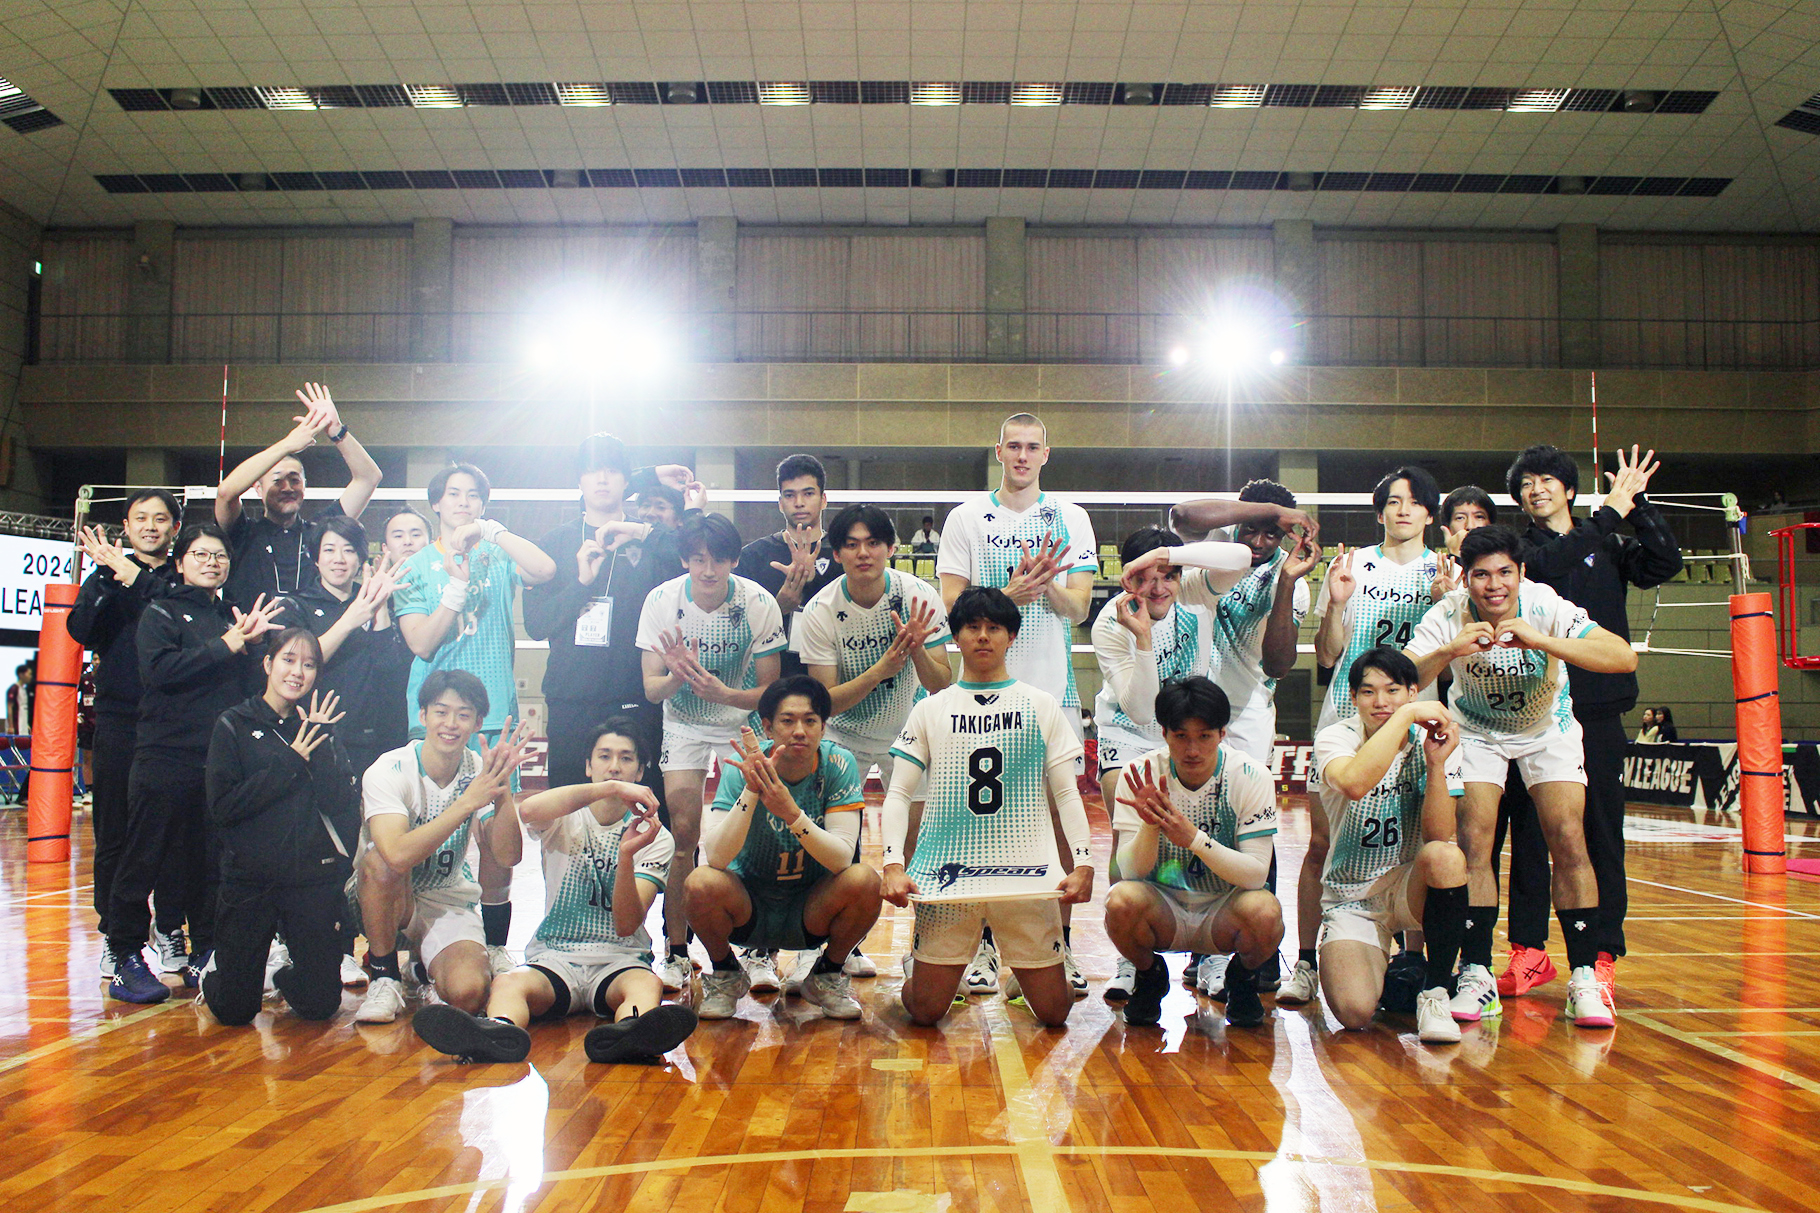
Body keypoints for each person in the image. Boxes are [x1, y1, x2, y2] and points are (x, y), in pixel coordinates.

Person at [1406, 525, 1637, 1029]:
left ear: (1521, 573)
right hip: (1476, 731)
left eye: (1504, 573)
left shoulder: (1545, 604)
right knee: (1474, 841)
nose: (1494, 585)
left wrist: (1543, 640)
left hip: (1545, 729)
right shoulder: (1447, 615)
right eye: (1481, 575)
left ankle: (1583, 977)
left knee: (1569, 837)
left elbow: (1623, 657)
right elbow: (1400, 676)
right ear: (1465, 578)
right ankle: (1477, 974)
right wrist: (1448, 652)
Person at [1494, 445, 1681, 1004]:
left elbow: (1665, 562)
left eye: (1546, 479)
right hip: (1533, 716)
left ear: (1570, 489)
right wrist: (1609, 513)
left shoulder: (1611, 544)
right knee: (1531, 837)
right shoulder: (1522, 553)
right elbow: (1554, 563)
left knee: (1601, 836)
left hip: (1596, 714)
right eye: (1526, 483)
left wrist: (1636, 503)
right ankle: (1529, 953)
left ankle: (1601, 955)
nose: (1535, 489)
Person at [409, 718, 699, 1065]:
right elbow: (529, 810)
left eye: (626, 758)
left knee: (646, 986)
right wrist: (609, 788)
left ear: (640, 771)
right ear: (588, 766)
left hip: (619, 960)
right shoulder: (565, 815)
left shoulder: (656, 836)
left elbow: (626, 925)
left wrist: (625, 856)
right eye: (604, 756)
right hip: (555, 956)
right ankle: (498, 1032)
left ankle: (628, 1035)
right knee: (508, 984)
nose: (614, 767)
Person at [936, 413, 1098, 996]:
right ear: (999, 451)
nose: (1023, 456)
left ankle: (1059, 948)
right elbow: (952, 605)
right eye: (1014, 446)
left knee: (1057, 820)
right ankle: (982, 948)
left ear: (1046, 454)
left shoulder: (1071, 517)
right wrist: (1009, 595)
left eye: (1033, 447)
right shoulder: (965, 518)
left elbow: (1079, 608)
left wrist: (1047, 585)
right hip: (978, 694)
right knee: (977, 821)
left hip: (1053, 693)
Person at [883, 587, 1095, 1029]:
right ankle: (923, 967)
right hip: (947, 874)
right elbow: (899, 793)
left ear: (1011, 636)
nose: (983, 636)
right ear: (956, 637)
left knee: (1055, 1012)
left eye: (994, 627)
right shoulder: (930, 709)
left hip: (1027, 874)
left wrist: (1084, 863)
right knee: (925, 1011)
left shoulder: (1041, 705)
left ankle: (1024, 972)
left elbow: (1067, 794)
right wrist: (892, 864)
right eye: (972, 627)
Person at [1282, 465, 1444, 1008]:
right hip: (1346, 721)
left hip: (1417, 723)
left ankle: (1416, 964)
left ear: (1429, 514)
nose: (1404, 509)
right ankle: (1307, 961)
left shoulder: (1444, 572)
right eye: (1394, 501)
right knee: (1321, 844)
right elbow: (1328, 655)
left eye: (1415, 501)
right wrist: (1335, 603)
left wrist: (1447, 600)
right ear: (1380, 512)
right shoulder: (1352, 565)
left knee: (1421, 845)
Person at [105, 523, 285, 1003]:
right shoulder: (161, 611)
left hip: (218, 760)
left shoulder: (230, 617)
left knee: (210, 861)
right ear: (180, 562)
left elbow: (246, 690)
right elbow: (160, 672)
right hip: (164, 755)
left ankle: (205, 950)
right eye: (201, 554)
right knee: (143, 856)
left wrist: (253, 648)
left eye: (219, 555)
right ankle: (124, 956)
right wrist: (226, 645)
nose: (212, 562)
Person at [392, 462, 556, 974]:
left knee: (494, 836)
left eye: (473, 496)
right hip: (434, 717)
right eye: (453, 494)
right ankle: (413, 947)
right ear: (436, 503)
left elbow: (545, 570)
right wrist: (455, 588)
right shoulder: (415, 566)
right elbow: (422, 643)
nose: (463, 503)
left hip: (493, 714)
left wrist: (494, 531)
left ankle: (497, 946)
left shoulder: (497, 552)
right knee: (426, 832)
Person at [1090, 525, 1251, 999]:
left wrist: (1166, 554)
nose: (1157, 587)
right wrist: (1142, 638)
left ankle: (1211, 953)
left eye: (1167, 575)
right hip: (1129, 733)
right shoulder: (1110, 622)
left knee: (1209, 831)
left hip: (1189, 734)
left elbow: (1241, 556)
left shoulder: (1196, 590)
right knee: (1127, 830)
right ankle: (1131, 958)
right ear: (1127, 580)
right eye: (1144, 577)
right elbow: (1142, 710)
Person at [799, 504, 953, 978]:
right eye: (851, 544)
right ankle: (832, 948)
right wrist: (883, 668)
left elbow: (941, 684)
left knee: (921, 841)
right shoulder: (820, 610)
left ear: (890, 548)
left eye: (872, 543)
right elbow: (825, 702)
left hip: (907, 730)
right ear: (837, 553)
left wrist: (916, 649)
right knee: (836, 847)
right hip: (843, 733)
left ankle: (924, 947)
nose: (862, 553)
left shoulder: (918, 595)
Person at [638, 511, 787, 990]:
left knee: (755, 834)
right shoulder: (661, 601)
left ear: (734, 560)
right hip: (683, 724)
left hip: (741, 723)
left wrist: (724, 694)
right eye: (698, 559)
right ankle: (676, 951)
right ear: (685, 559)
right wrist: (677, 675)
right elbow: (652, 691)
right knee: (683, 835)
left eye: (718, 560)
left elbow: (770, 693)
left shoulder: (758, 602)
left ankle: (759, 949)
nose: (708, 570)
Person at [687, 676, 882, 1020]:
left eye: (810, 721)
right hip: (750, 906)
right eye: (788, 721)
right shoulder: (743, 767)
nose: (799, 731)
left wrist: (791, 813)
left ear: (823, 726)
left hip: (811, 908)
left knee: (865, 881)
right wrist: (752, 790)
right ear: (767, 727)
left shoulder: (839, 764)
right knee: (700, 883)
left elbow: (842, 858)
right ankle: (727, 974)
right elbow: (715, 857)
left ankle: (826, 975)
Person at [199, 629, 361, 1026]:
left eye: (309, 665)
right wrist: (290, 762)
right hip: (250, 878)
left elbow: (338, 803)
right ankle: (217, 975)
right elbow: (223, 807)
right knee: (234, 1011)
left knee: (320, 1005)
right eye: (288, 660)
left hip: (309, 879)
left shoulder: (318, 726)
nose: (297, 672)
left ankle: (285, 974)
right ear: (268, 664)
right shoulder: (234, 723)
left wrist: (321, 745)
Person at [272, 514, 408, 985]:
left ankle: (359, 946)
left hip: (374, 741)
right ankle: (301, 944)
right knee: (314, 848)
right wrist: (354, 616)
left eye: (349, 550)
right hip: (316, 740)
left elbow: (392, 671)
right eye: (329, 549)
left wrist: (379, 609)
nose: (339, 559)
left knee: (362, 850)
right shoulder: (297, 606)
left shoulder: (373, 601)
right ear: (315, 558)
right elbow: (303, 662)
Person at [350, 671, 531, 1024]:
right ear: (423, 715)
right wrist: (466, 804)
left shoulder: (480, 768)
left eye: (463, 714)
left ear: (478, 723)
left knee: (469, 994)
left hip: (447, 896)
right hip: (385, 896)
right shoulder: (390, 769)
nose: (450, 724)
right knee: (380, 862)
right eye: (441, 711)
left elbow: (508, 855)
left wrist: (502, 788)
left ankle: (425, 967)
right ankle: (385, 977)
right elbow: (396, 856)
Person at [1311, 647, 1469, 1045]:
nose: (1380, 701)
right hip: (1353, 896)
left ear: (1413, 691)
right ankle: (1383, 971)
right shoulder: (1335, 737)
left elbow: (1439, 833)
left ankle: (1435, 994)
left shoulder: (1435, 740)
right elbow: (1354, 783)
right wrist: (1405, 716)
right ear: (1353, 697)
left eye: (1392, 690)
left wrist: (1436, 765)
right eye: (1368, 692)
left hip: (1408, 887)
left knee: (1446, 856)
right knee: (1354, 1012)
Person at [1106, 678, 1284, 1030]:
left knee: (1265, 911)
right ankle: (1150, 975)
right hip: (1165, 909)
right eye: (1181, 736)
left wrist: (1193, 839)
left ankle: (1242, 979)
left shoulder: (1250, 775)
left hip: (1223, 911)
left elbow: (1255, 875)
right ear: (1163, 733)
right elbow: (1129, 872)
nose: (1192, 750)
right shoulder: (1140, 775)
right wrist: (1150, 826)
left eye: (1204, 736)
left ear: (1222, 733)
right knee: (1120, 901)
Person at [524, 435, 697, 792]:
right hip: (570, 698)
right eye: (592, 471)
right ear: (579, 480)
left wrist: (646, 526)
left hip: (636, 697)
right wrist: (581, 585)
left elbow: (693, 553)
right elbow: (537, 625)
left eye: (612, 471)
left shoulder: (648, 539)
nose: (602, 479)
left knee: (642, 806)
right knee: (569, 807)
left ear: (627, 480)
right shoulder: (554, 543)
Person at [69, 489, 181, 980]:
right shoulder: (104, 576)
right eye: (141, 518)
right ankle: (117, 936)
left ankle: (172, 928)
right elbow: (80, 630)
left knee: (176, 832)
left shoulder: (181, 578)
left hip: (174, 724)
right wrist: (105, 578)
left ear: (175, 527)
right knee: (114, 832)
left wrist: (133, 577)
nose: (151, 526)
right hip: (119, 721)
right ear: (127, 526)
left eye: (160, 518)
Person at [215, 381, 382, 608]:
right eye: (277, 481)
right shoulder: (242, 531)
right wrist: (287, 445)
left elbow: (369, 478)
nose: (287, 488)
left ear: (305, 486)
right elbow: (226, 492)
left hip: (314, 630)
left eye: (295, 480)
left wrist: (336, 430)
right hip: (250, 630)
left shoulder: (319, 530)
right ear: (258, 488)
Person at [736, 454, 844, 677]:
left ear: (823, 500)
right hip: (773, 679)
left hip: (834, 678)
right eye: (790, 495)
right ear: (780, 503)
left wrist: (813, 581)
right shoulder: (753, 557)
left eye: (808, 493)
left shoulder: (844, 554)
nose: (799, 502)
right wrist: (777, 608)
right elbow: (735, 627)